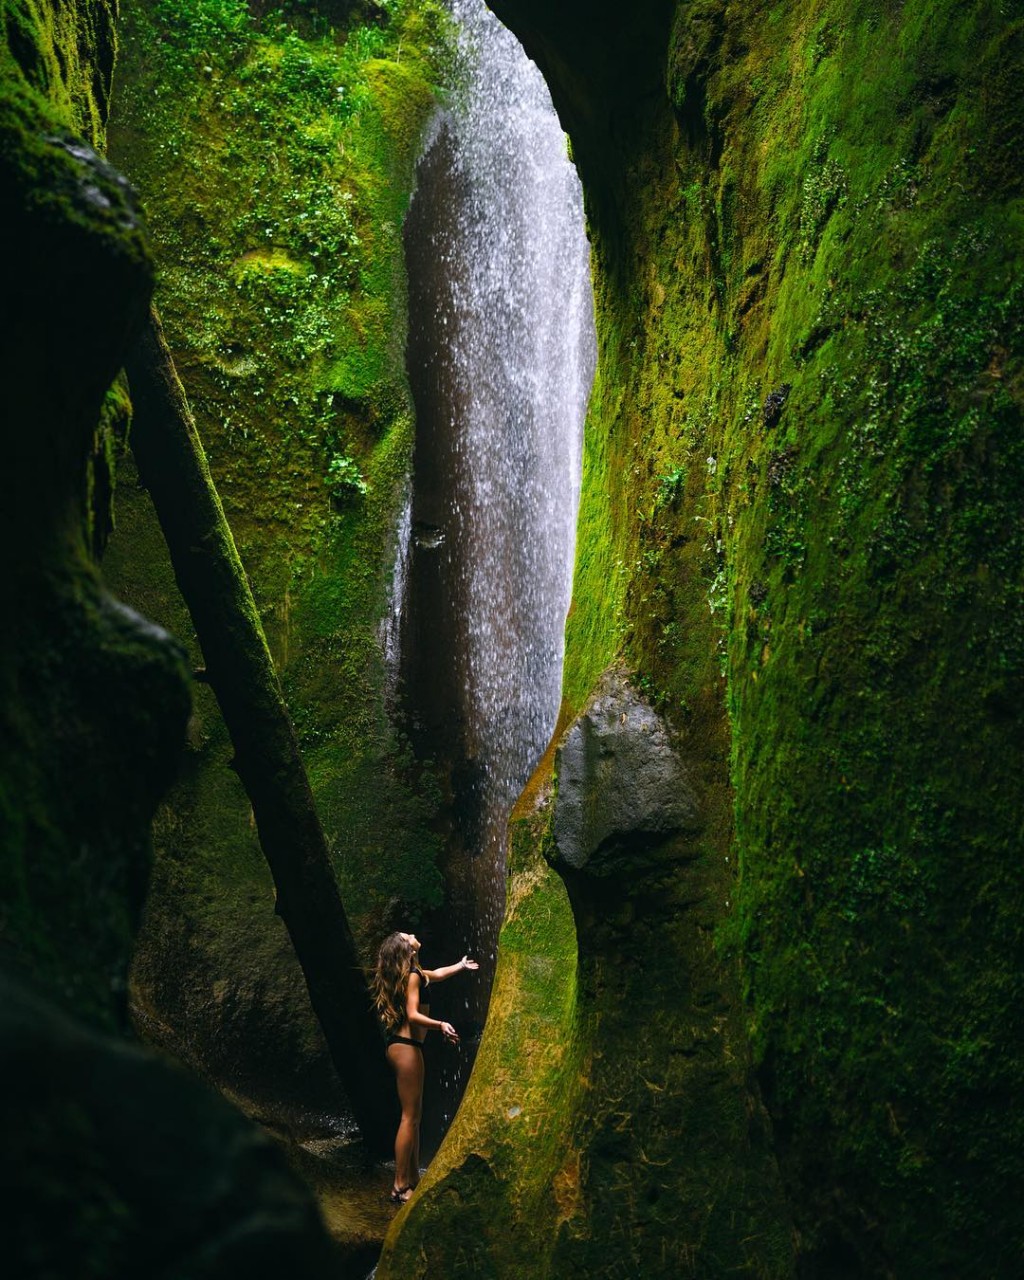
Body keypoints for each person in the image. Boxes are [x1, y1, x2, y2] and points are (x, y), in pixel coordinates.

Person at [372, 931, 479, 1203]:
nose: (412, 934)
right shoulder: (413, 977)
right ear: (406, 948)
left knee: (414, 1117)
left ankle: (412, 1179)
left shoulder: (416, 973)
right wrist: (440, 1024)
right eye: (406, 935)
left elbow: (439, 974)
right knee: (409, 1117)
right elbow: (412, 1014)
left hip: (403, 1046)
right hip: (406, 1047)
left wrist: (461, 965)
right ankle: (398, 1184)